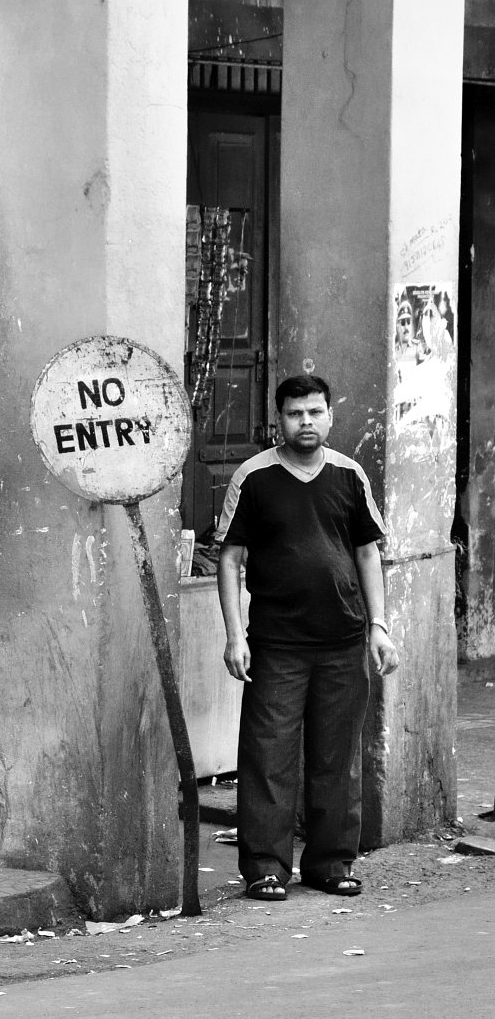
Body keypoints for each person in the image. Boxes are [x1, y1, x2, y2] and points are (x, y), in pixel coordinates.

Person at [216, 373, 399, 902]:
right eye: (295, 413)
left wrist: (378, 627)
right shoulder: (254, 477)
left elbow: (367, 552)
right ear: (279, 419)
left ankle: (330, 862)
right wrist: (234, 635)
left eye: (315, 412)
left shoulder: (349, 474)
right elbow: (230, 558)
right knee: (268, 756)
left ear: (330, 416)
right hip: (277, 645)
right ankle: (266, 867)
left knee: (337, 758)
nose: (306, 422)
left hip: (343, 641)